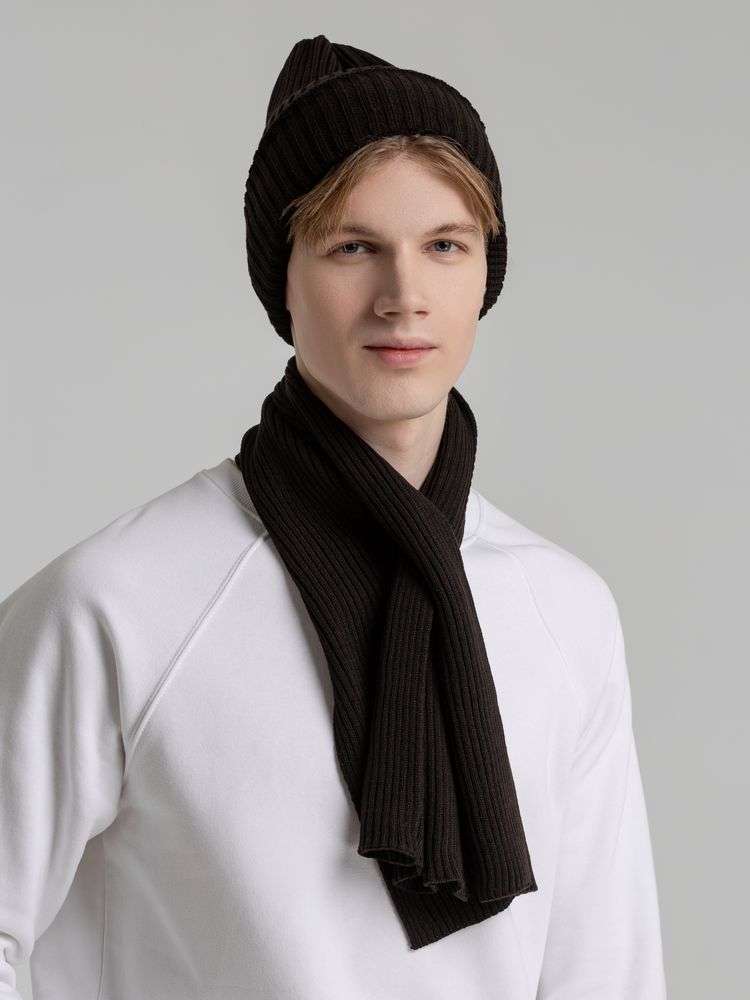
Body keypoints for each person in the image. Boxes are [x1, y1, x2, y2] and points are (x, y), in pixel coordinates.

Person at [0, 34, 667, 999]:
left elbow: (607, 975)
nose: (404, 297)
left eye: (445, 245)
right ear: (284, 276)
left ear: (486, 273)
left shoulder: (566, 612)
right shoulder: (119, 604)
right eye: (353, 247)